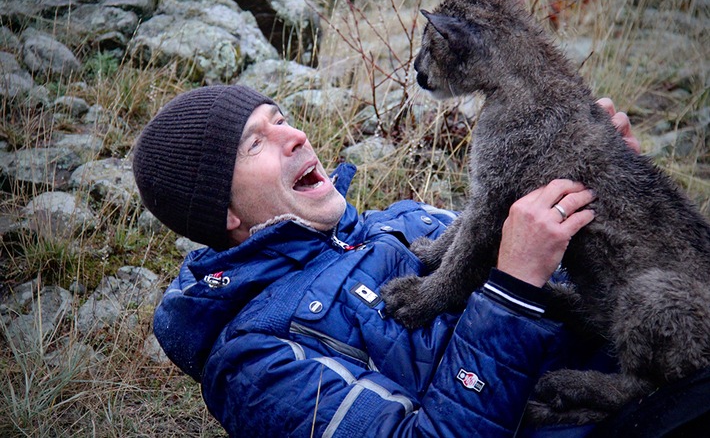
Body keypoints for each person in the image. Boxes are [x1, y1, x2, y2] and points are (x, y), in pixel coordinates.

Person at [132, 84, 639, 437]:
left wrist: (608, 199)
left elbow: (593, 291)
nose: (296, 137)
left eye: (281, 120)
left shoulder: (403, 220)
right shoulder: (254, 361)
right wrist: (511, 291)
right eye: (256, 143)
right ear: (222, 211)